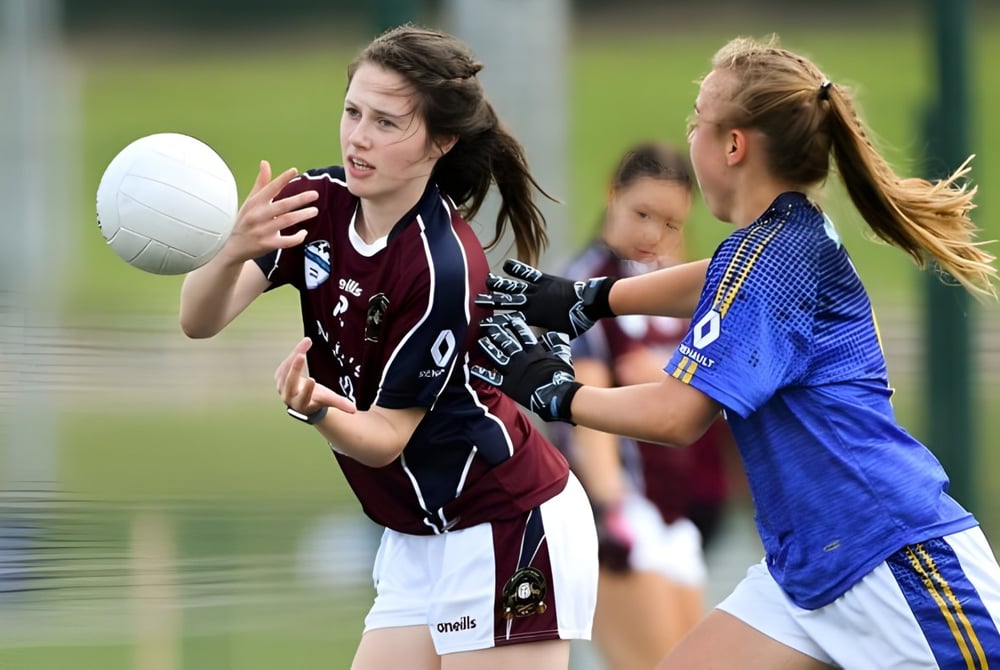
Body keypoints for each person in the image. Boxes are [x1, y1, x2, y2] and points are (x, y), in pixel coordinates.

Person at [473, 34, 1000, 669]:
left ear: (732, 145)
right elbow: (716, 279)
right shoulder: (779, 237)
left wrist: (556, 391)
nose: (690, 136)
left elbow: (677, 416)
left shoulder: (770, 255)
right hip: (808, 571)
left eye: (698, 122)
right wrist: (589, 298)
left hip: (893, 559)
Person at [178, 24, 597, 670]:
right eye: (352, 111)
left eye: (386, 122)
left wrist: (317, 409)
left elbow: (384, 435)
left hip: (504, 521)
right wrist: (233, 246)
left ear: (440, 141)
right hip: (416, 534)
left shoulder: (440, 266)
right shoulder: (311, 207)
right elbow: (198, 319)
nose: (357, 136)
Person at [551, 141, 740, 668]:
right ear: (612, 197)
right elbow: (584, 407)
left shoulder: (680, 288)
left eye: (670, 222)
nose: (653, 235)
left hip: (681, 515)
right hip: (623, 517)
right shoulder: (583, 286)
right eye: (642, 214)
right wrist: (611, 511)